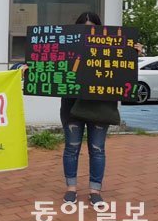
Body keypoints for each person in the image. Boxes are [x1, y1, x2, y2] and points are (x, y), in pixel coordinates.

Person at [59, 12, 142, 206]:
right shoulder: (67, 48)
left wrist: (133, 54)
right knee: (72, 148)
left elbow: (124, 72)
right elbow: (47, 62)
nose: (88, 32)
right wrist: (25, 67)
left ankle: (95, 190)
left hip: (100, 107)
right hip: (72, 106)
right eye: (84, 28)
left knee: (97, 149)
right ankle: (71, 188)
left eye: (92, 28)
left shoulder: (111, 48)